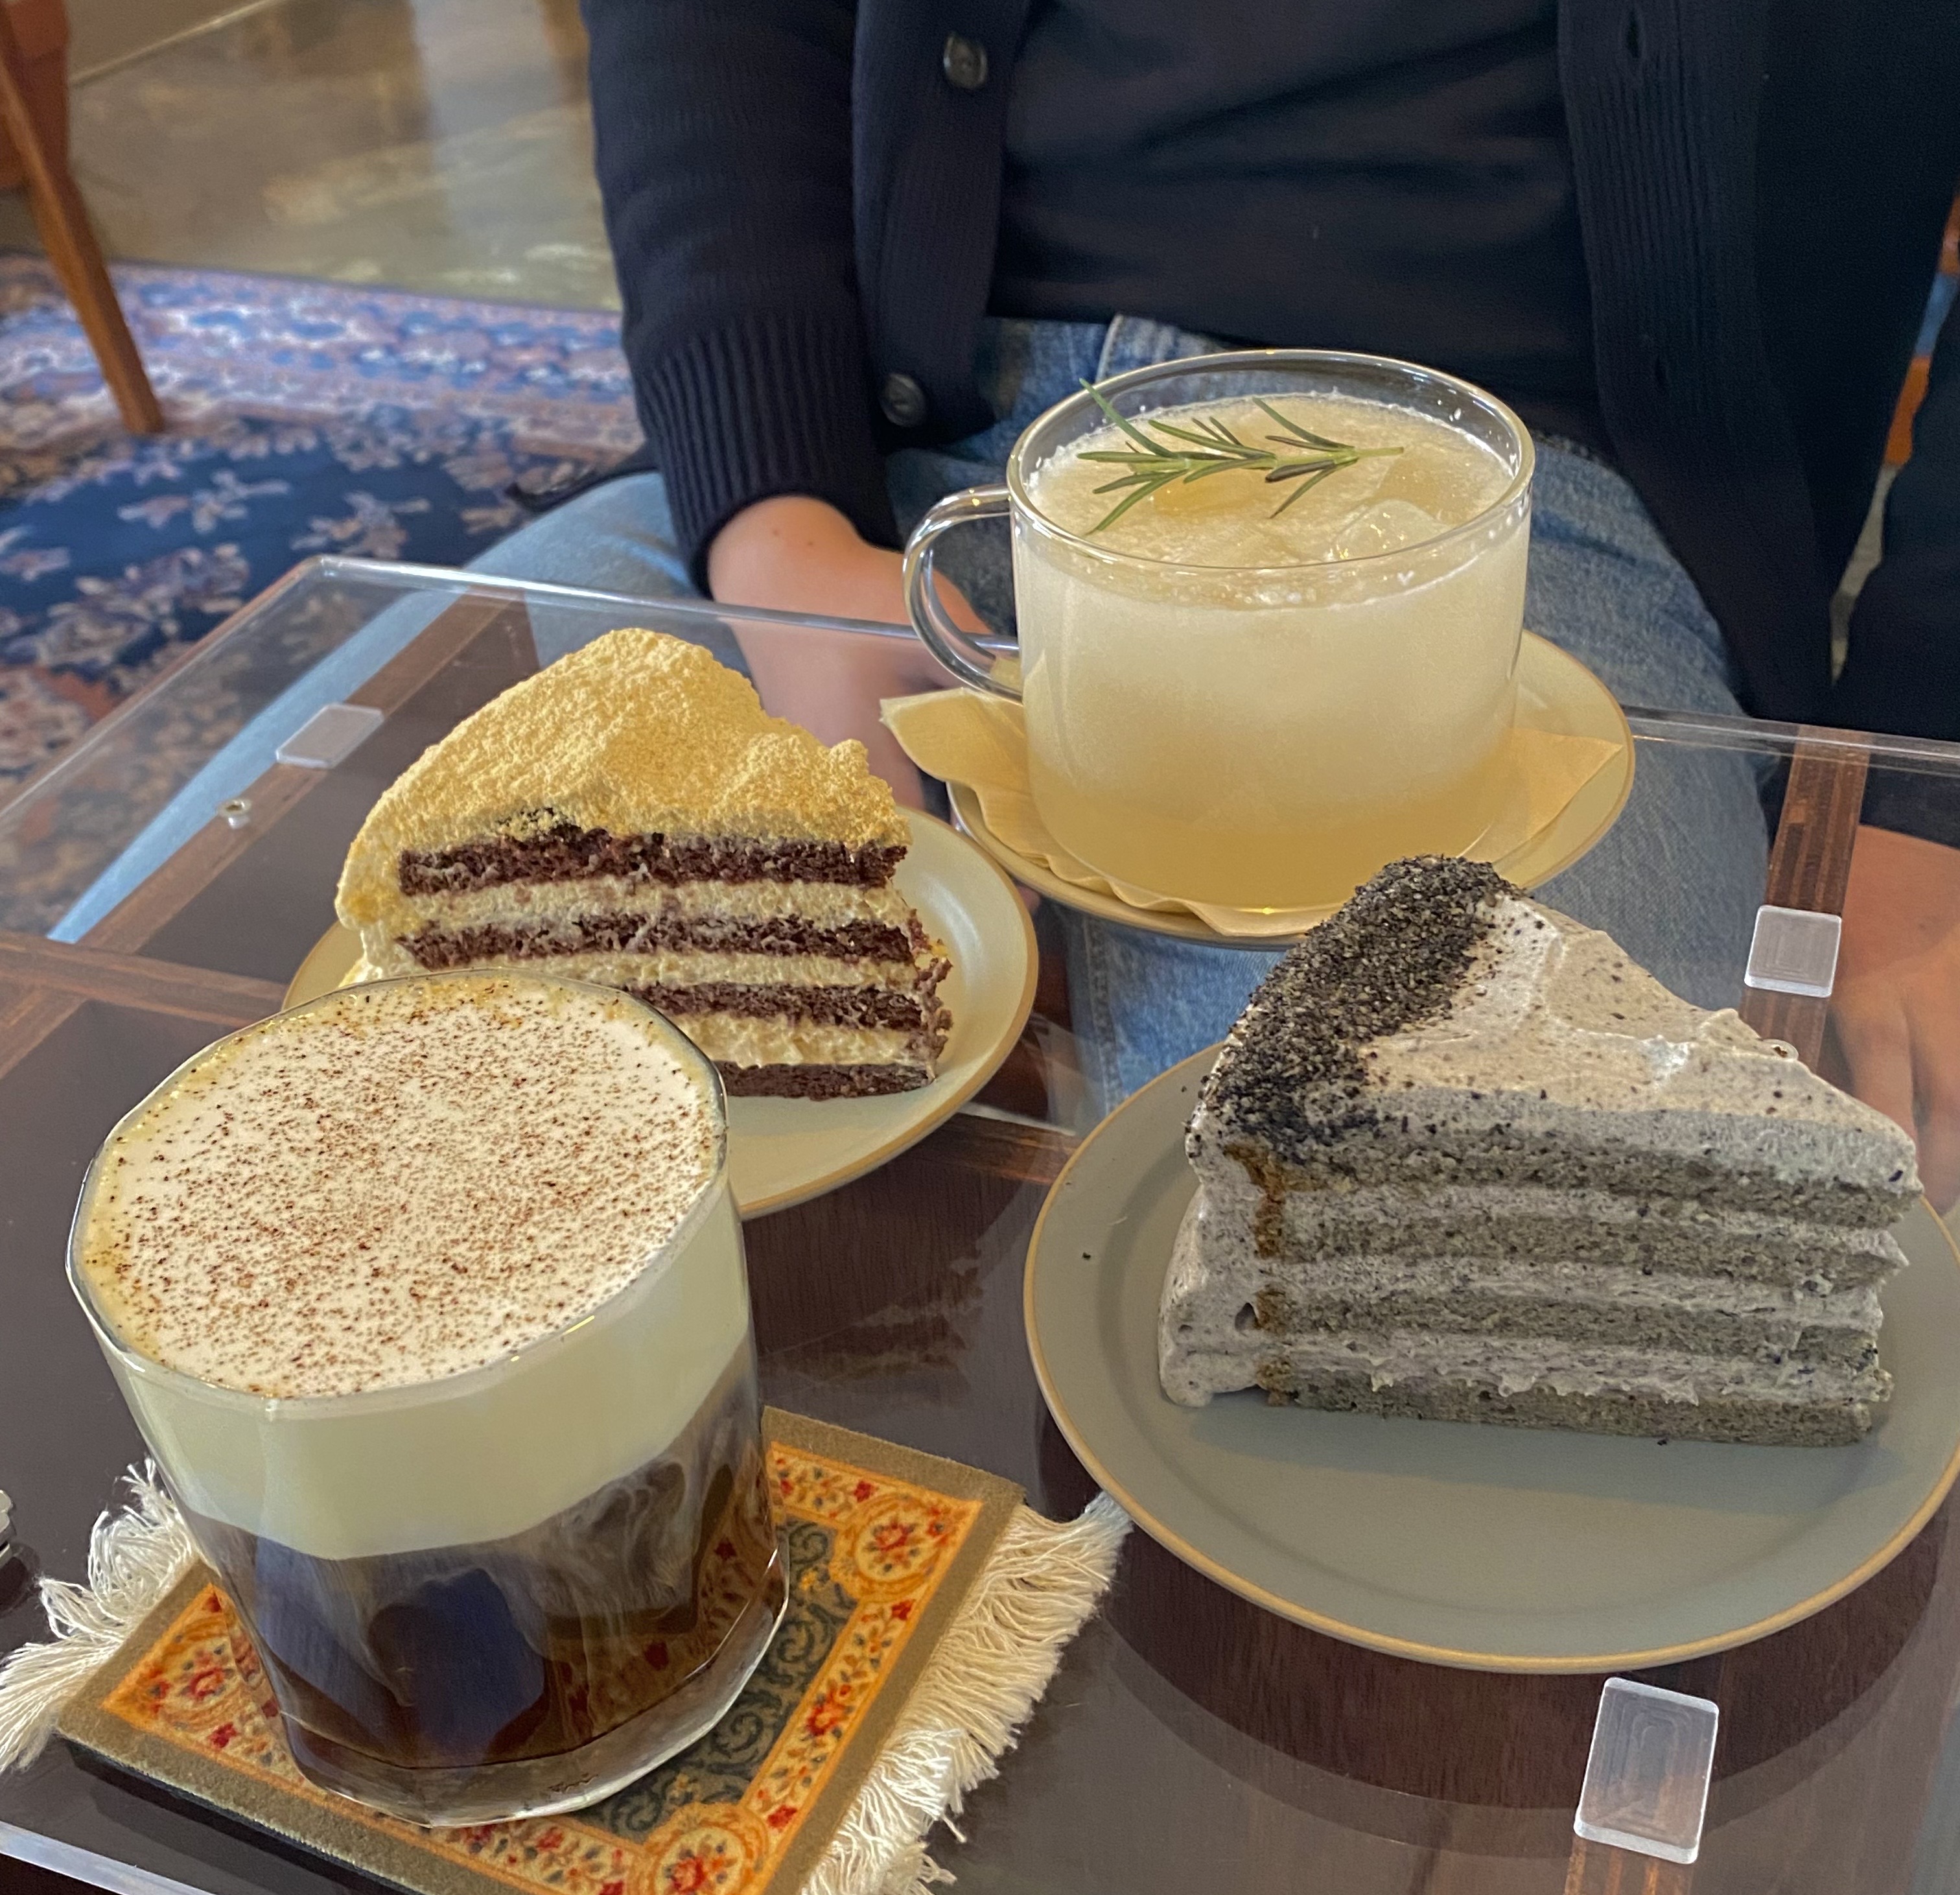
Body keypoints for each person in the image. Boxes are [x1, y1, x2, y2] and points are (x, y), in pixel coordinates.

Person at [471, 0, 1960, 1188]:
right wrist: (776, 534)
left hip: (1531, 495)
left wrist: (1924, 789)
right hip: (888, 421)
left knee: (1466, 1274)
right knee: (410, 1032)